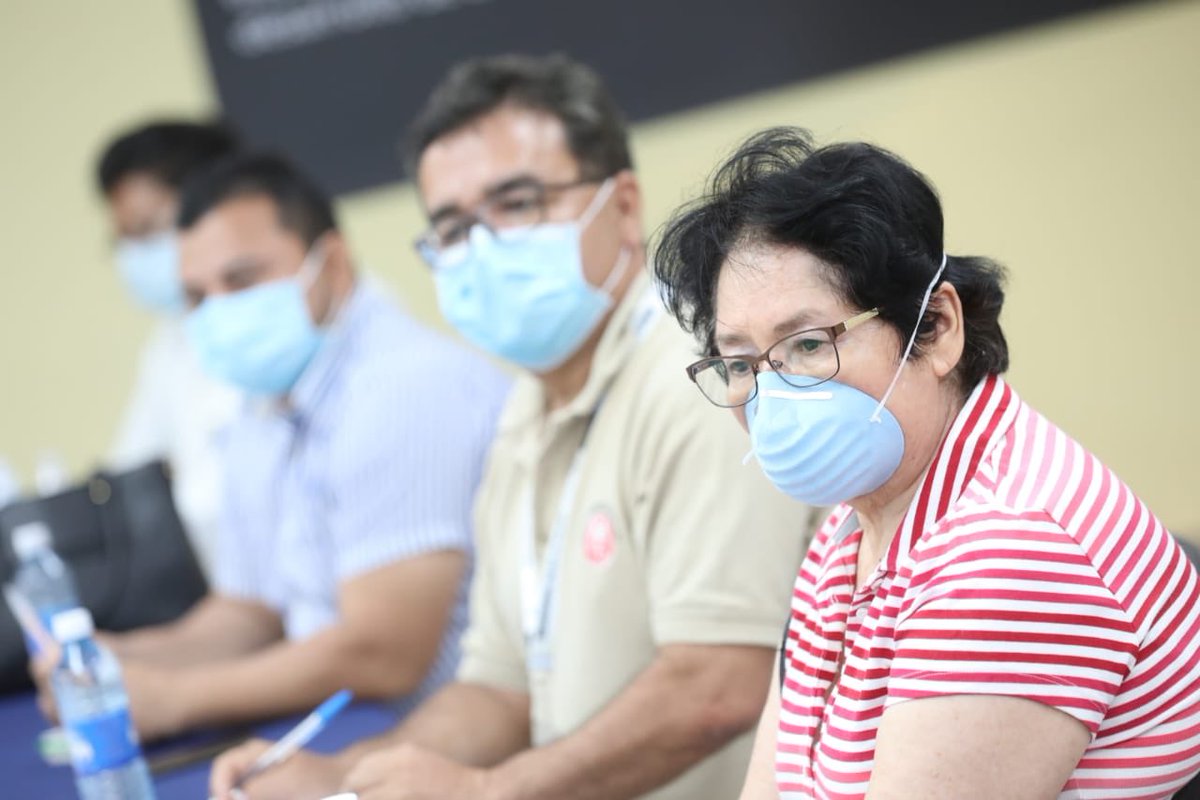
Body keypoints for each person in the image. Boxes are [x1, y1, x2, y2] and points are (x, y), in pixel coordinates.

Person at [211, 54, 819, 800]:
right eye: (455, 227)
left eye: (519, 203)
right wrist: (349, 775)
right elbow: (498, 688)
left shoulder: (700, 376)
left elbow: (717, 686)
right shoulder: (526, 408)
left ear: (622, 208)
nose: (486, 247)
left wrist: (484, 795)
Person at [651, 127, 1200, 799]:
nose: (771, 395)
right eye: (742, 363)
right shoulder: (852, 525)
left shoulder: (1010, 548)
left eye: (807, 345)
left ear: (936, 327)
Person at [37, 152, 511, 741]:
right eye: (196, 296)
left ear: (332, 264)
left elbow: (384, 652)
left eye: (240, 280)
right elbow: (250, 610)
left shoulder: (403, 387)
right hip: (354, 729)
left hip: (455, 743)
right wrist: (121, 658)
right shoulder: (259, 404)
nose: (219, 312)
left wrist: (178, 698)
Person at [98, 120, 243, 575]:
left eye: (148, 229)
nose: (134, 253)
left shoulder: (281, 321)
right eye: (124, 237)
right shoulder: (171, 339)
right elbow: (129, 473)